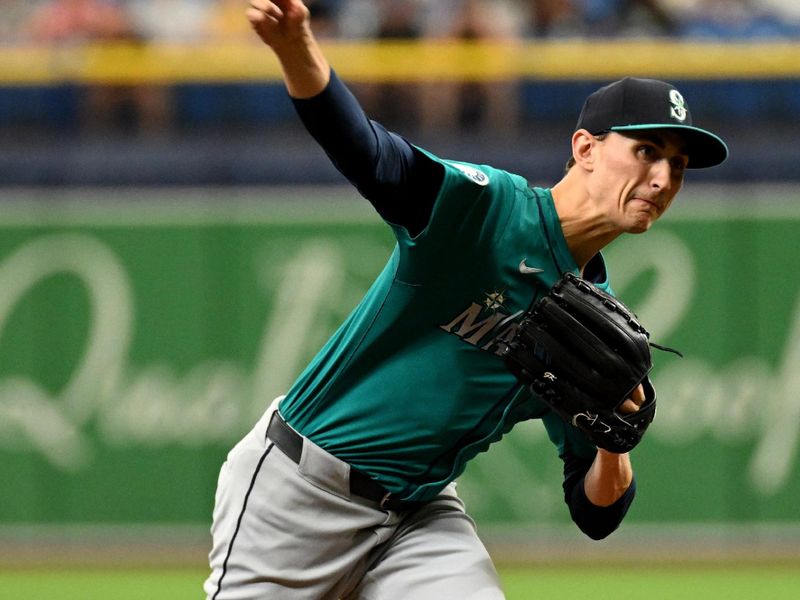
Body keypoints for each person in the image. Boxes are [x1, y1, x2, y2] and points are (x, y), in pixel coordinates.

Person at [204, 1, 728, 598]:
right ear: (585, 149)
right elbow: (369, 154)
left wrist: (614, 445)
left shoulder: (598, 324)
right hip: (300, 491)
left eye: (679, 165)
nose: (664, 179)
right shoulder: (488, 212)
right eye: (647, 151)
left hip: (420, 516)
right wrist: (296, 48)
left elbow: (596, 512)